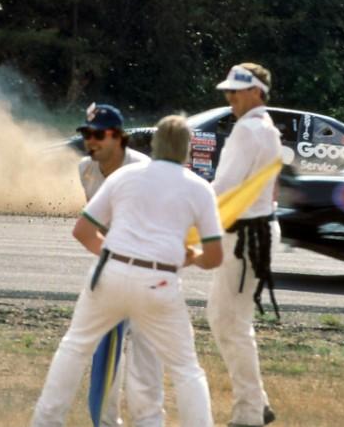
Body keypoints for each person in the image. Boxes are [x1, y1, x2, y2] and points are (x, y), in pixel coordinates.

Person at [31, 115, 224, 427]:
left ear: (154, 144)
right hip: (159, 280)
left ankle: (45, 421)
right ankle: (151, 421)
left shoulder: (125, 175)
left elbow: (82, 230)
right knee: (185, 369)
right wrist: (190, 257)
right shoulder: (200, 188)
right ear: (188, 150)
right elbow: (215, 257)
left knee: (75, 347)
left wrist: (112, 255)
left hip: (111, 273)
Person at [74, 103, 165, 427]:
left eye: (98, 133)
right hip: (113, 265)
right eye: (86, 133)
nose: (91, 140)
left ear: (118, 136)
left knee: (146, 352)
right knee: (102, 348)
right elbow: (93, 226)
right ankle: (106, 422)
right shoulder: (86, 168)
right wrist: (110, 256)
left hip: (148, 268)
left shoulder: (143, 167)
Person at [207, 63, 282, 427]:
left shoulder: (248, 130)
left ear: (256, 92)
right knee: (229, 320)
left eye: (236, 91)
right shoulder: (266, 128)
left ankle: (250, 413)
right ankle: (257, 403)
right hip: (256, 231)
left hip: (244, 234)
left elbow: (224, 187)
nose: (230, 97)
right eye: (228, 91)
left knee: (229, 322)